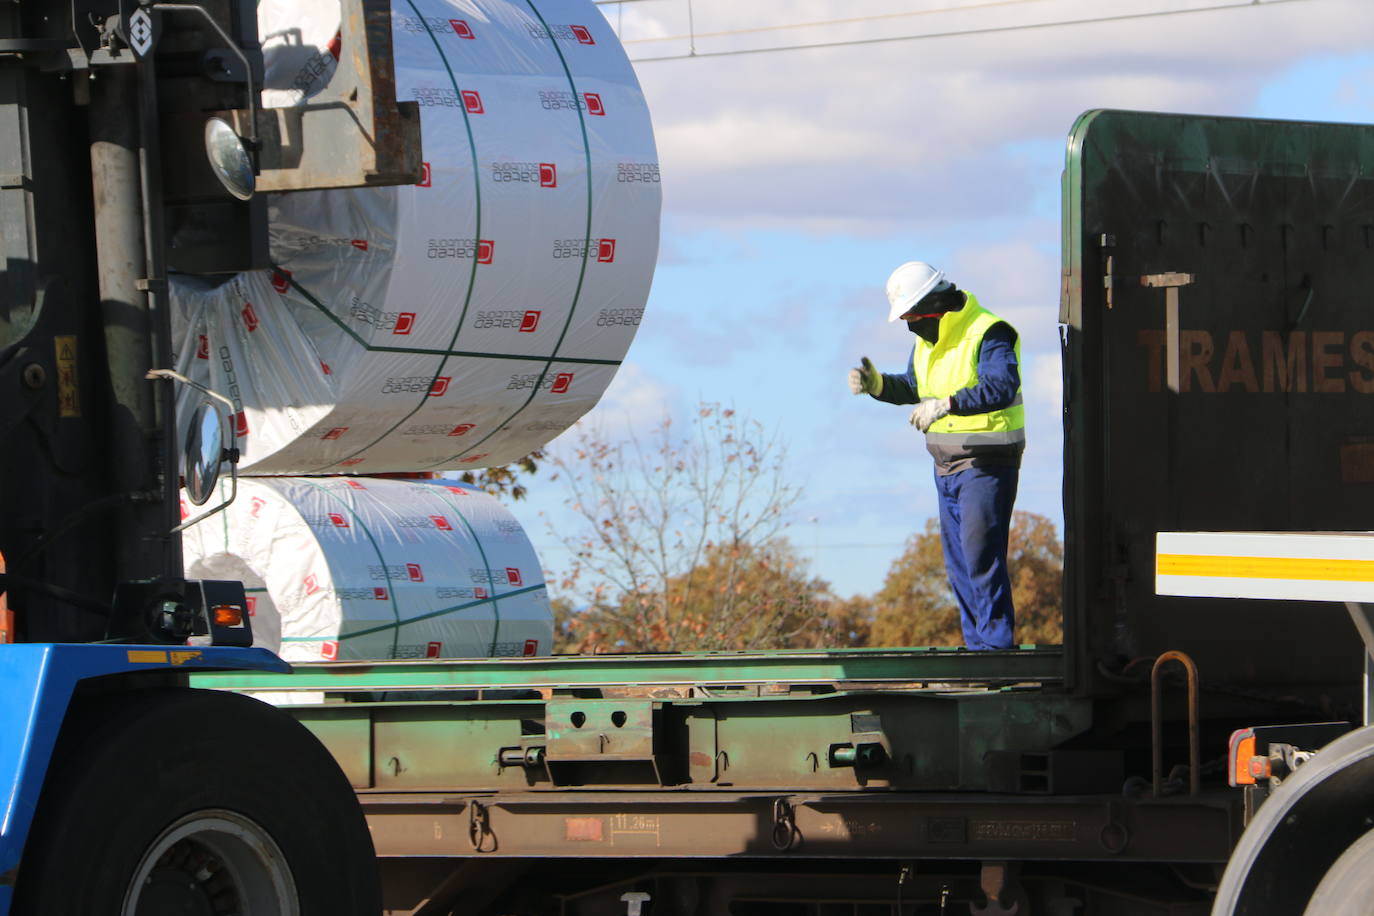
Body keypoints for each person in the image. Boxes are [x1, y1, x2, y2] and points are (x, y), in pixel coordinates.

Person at [848, 261, 1024, 651]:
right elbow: (914, 386)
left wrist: (947, 404)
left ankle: (996, 648)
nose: (910, 323)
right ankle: (980, 648)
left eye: (912, 314)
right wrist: (878, 386)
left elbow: (1001, 385)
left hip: (987, 463)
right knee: (959, 564)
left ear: (933, 303)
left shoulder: (989, 331)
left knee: (980, 556)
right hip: (945, 467)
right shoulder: (927, 343)